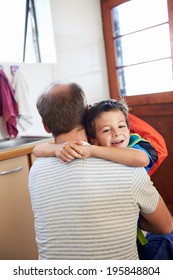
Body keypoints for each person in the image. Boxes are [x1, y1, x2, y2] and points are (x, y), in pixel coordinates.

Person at [28, 81, 172, 260]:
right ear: (87, 113)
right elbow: (165, 226)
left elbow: (37, 150)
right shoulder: (127, 167)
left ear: (45, 125)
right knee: (168, 237)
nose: (117, 134)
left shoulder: (36, 170)